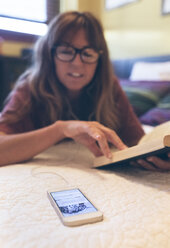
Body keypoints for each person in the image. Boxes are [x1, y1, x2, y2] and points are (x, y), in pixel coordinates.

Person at [0, 11, 169, 170]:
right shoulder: (31, 87)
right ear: (49, 55)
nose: (77, 63)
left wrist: (160, 158)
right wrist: (59, 130)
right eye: (66, 52)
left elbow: (137, 141)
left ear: (99, 59)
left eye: (87, 54)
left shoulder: (109, 87)